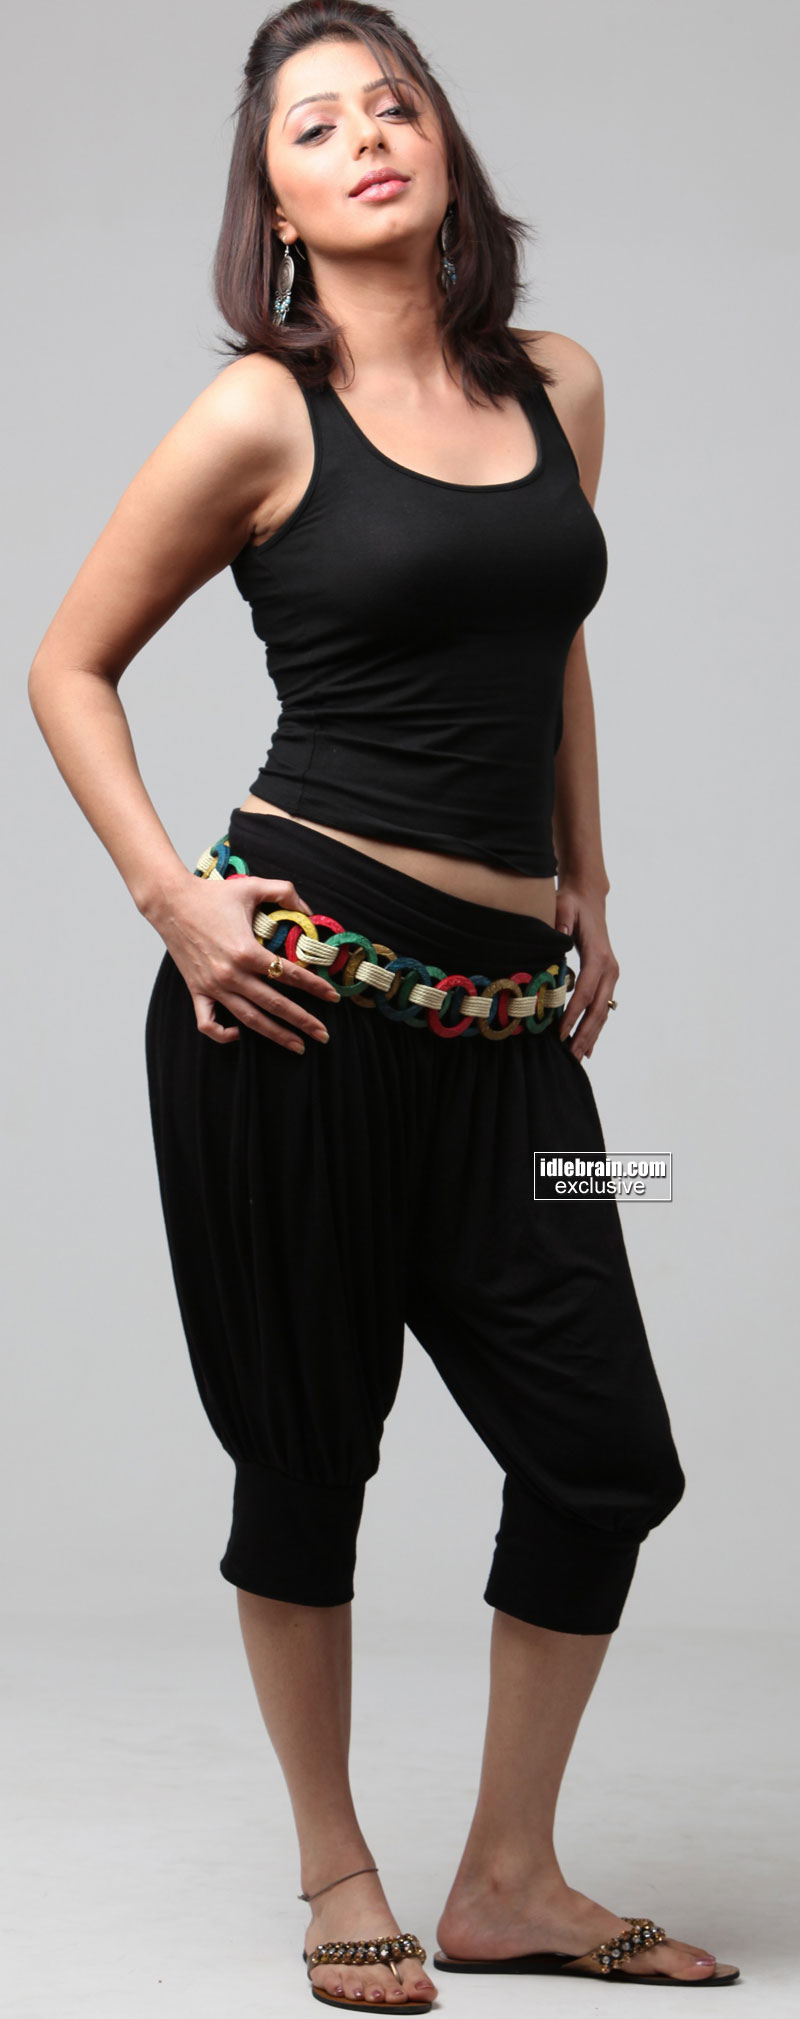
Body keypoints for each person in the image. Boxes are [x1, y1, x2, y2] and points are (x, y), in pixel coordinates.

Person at [27, 1, 740, 2006]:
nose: (364, 136)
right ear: (272, 200)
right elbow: (67, 664)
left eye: (392, 103)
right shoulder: (264, 417)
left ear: (442, 145)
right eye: (314, 123)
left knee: (602, 1450)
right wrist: (174, 902)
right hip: (295, 1009)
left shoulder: (557, 385)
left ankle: (509, 1878)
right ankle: (336, 1865)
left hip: (507, 1028)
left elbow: (550, 632)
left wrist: (588, 870)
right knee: (306, 1447)